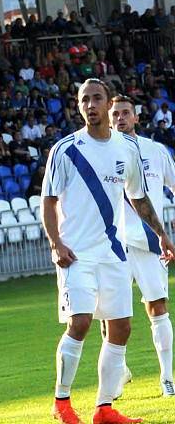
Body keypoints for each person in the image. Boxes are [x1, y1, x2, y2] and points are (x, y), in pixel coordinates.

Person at [41, 79, 175, 424]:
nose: (90, 105)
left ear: (106, 103)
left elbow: (139, 198)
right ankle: (62, 402)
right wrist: (56, 243)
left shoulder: (126, 150)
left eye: (96, 98)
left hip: (114, 254)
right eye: (84, 99)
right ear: (78, 105)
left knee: (121, 328)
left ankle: (104, 408)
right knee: (81, 322)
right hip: (77, 254)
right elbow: (49, 201)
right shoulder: (65, 150)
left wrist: (161, 234)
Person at [109, 95, 174, 398]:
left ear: (135, 118)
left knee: (157, 307)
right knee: (111, 312)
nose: (120, 118)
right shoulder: (101, 154)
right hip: (113, 245)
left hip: (150, 242)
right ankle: (119, 372)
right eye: (115, 114)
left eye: (125, 113)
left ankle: (166, 377)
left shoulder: (155, 151)